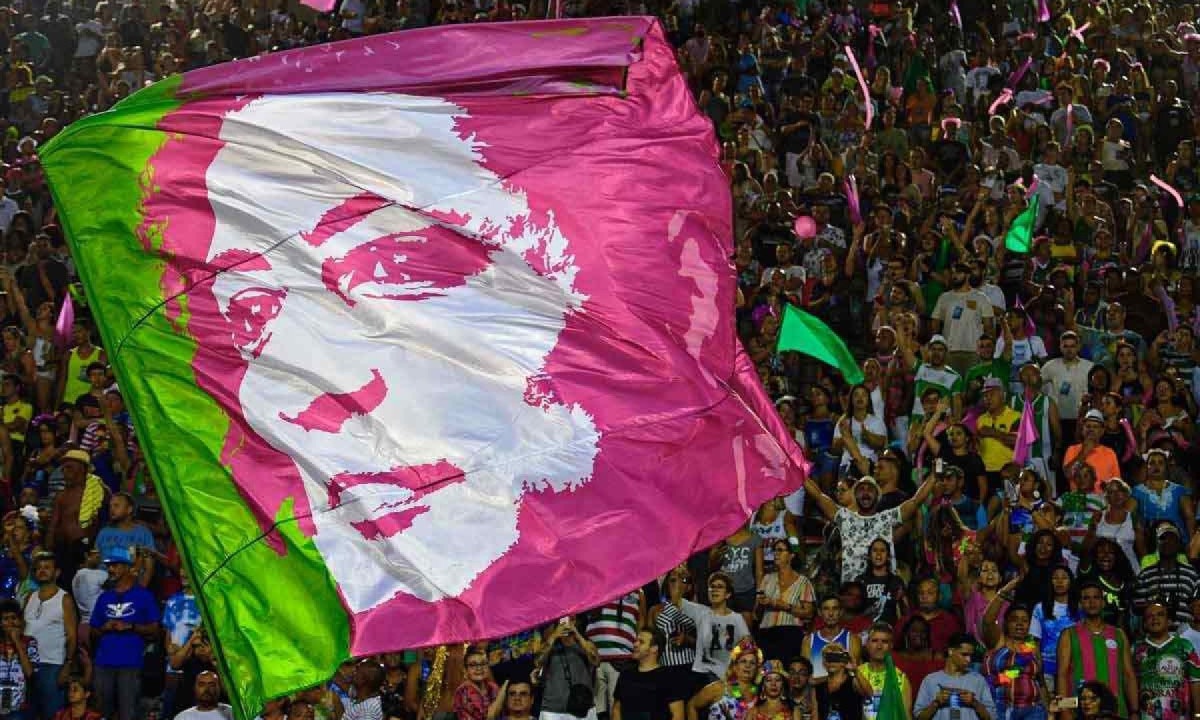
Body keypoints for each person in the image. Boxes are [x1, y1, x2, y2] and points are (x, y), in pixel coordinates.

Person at [805, 473, 936, 584]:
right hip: (853, 592)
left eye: (870, 490)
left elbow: (916, 501)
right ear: (855, 496)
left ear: (878, 496)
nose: (866, 493)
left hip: (883, 589)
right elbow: (818, 496)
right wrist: (797, 471)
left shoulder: (886, 518)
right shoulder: (845, 517)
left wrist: (934, 476)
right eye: (862, 489)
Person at [87, 547, 160, 720]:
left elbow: (155, 630)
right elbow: (93, 631)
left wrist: (131, 627)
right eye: (109, 566)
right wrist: (104, 628)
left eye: (115, 565)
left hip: (130, 664)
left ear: (128, 567)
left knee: (129, 714)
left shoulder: (143, 596)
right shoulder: (104, 597)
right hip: (103, 663)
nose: (110, 569)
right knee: (101, 714)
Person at [1056, 580, 1139, 719]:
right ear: (1080, 604)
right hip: (1081, 711)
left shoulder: (1119, 634)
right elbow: (1062, 674)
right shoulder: (1069, 634)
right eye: (1086, 598)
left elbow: (1128, 674)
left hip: (1116, 712)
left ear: (1103, 602)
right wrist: (1064, 710)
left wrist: (1135, 711)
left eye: (1096, 597)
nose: (1091, 602)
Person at [21, 553, 76, 720]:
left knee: (52, 714)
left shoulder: (64, 599)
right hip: (28, 665)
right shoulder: (30, 597)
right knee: (28, 713)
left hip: (52, 665)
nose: (42, 571)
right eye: (38, 568)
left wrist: (68, 665)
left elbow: (72, 636)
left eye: (47, 568)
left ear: (57, 573)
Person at [1132, 602, 1200, 720]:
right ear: (1144, 624)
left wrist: (1198, 714)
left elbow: (1196, 682)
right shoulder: (1136, 650)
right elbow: (1131, 683)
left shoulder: (1185, 646)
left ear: (1169, 621)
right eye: (1150, 616)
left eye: (1160, 614)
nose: (1155, 618)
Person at [683, 572, 750, 683]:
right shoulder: (701, 612)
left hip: (726, 676)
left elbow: (748, 647)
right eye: (712, 587)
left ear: (728, 594)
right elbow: (676, 599)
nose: (714, 590)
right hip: (702, 674)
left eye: (720, 587)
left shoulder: (737, 619)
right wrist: (682, 578)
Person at [756, 538, 815, 662]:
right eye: (774, 551)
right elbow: (756, 614)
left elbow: (809, 613)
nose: (776, 553)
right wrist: (761, 604)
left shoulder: (802, 581)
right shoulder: (767, 579)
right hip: (766, 632)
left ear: (791, 555)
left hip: (791, 633)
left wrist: (783, 606)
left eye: (780, 550)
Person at [913, 633, 995, 720]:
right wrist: (936, 703)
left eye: (970, 655)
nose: (969, 660)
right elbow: (918, 717)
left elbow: (991, 717)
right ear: (951, 651)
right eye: (964, 654)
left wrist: (974, 703)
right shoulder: (930, 680)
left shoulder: (978, 680)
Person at [533, 617, 598, 720]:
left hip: (583, 708)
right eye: (564, 619)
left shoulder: (586, 643)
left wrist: (577, 634)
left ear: (576, 621)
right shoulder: (549, 644)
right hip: (553, 709)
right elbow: (537, 662)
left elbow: (595, 660)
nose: (568, 623)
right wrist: (554, 635)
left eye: (572, 619)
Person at [612, 629, 686, 720]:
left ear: (654, 648)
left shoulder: (669, 676)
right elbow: (616, 709)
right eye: (636, 641)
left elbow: (678, 715)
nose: (635, 644)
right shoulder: (626, 674)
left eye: (641, 642)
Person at [686, 638, 761, 720]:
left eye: (752, 663)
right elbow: (692, 705)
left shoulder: (758, 693)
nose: (748, 665)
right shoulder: (719, 688)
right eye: (743, 661)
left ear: (756, 668)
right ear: (735, 666)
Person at [855, 623, 912, 720]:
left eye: (884, 642)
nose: (879, 646)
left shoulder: (900, 678)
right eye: (874, 641)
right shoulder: (858, 672)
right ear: (867, 644)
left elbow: (906, 715)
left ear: (891, 646)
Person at [801, 596, 862, 685]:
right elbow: (805, 677)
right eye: (826, 609)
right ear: (820, 612)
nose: (830, 613)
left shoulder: (852, 639)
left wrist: (820, 680)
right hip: (817, 696)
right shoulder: (809, 640)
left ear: (841, 612)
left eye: (835, 609)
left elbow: (854, 675)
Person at [0, 598, 37, 720]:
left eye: (14, 618)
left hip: (18, 707)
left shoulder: (29, 642)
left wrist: (17, 642)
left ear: (20, 621)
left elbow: (29, 673)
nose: (11, 622)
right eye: (6, 619)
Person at [453, 649, 500, 720]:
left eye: (483, 664)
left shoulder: (494, 688)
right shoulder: (462, 691)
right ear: (466, 670)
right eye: (473, 665)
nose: (479, 668)